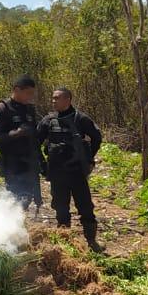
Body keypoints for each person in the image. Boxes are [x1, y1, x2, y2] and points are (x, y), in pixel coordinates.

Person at [37, 87, 103, 253]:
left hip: (77, 172)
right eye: (52, 98)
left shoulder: (80, 119)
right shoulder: (48, 120)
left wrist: (88, 158)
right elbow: (34, 143)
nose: (53, 101)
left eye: (57, 98)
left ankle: (92, 242)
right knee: (60, 208)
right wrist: (42, 164)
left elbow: (96, 137)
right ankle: (64, 242)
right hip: (57, 172)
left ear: (68, 100)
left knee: (86, 207)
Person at [0, 75, 43, 211]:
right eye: (28, 93)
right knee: (18, 197)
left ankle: (18, 228)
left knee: (28, 197)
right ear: (17, 90)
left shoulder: (30, 109)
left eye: (32, 93)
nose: (30, 97)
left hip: (30, 162)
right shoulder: (3, 108)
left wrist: (42, 161)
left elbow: (35, 138)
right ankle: (6, 226)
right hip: (13, 164)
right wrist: (17, 133)